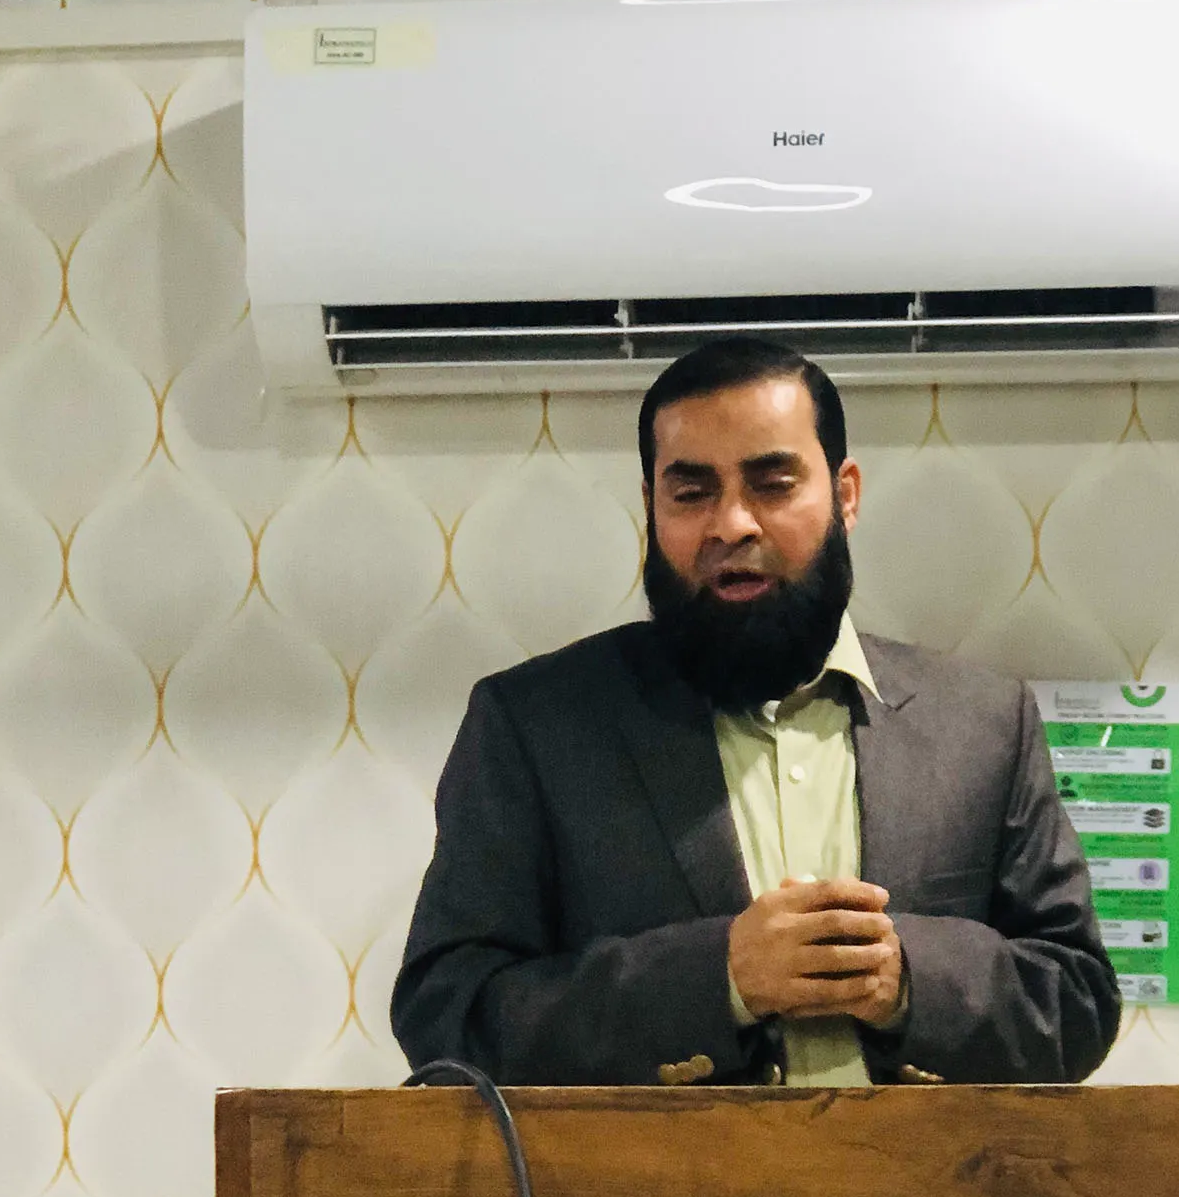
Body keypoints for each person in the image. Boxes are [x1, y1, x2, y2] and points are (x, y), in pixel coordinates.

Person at [391, 337, 1119, 1087]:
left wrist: (908, 979)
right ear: (650, 506)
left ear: (845, 496)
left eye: (772, 485)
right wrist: (720, 978)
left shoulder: (985, 724)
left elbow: (1078, 1004)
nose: (731, 525)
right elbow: (448, 1016)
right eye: (691, 493)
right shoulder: (533, 727)